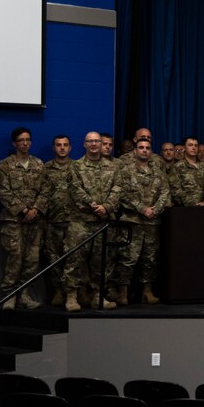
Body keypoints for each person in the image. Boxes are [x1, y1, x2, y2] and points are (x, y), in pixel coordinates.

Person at [62, 131, 120, 311]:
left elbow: (118, 189)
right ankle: (71, 297)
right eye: (90, 141)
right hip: (81, 222)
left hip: (103, 222)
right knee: (74, 260)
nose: (94, 144)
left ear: (102, 144)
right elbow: (75, 191)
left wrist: (107, 207)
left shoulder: (113, 167)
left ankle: (97, 296)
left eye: (97, 141)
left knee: (101, 261)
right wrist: (95, 206)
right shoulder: (75, 166)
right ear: (84, 144)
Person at [114, 138, 170, 305]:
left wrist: (155, 209)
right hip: (132, 221)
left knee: (150, 258)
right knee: (127, 257)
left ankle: (147, 292)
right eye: (141, 148)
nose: (144, 150)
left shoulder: (158, 172)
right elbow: (122, 194)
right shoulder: (126, 171)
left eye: (147, 148)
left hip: (152, 222)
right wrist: (142, 208)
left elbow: (165, 193)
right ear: (135, 151)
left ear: (151, 152)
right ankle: (123, 292)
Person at [0, 127, 45, 309]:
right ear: (14, 143)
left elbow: (45, 191)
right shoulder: (5, 165)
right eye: (21, 140)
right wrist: (24, 210)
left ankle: (24, 293)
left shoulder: (39, 164)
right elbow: (4, 191)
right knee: (15, 257)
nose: (25, 143)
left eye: (28, 140)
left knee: (32, 259)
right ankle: (9, 295)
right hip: (13, 220)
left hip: (35, 220)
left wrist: (35, 210)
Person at [42, 134, 74, 306]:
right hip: (53, 220)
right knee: (53, 258)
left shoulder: (78, 168)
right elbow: (41, 195)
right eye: (58, 145)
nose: (62, 148)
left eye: (65, 145)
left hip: (73, 222)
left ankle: (71, 292)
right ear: (54, 148)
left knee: (73, 258)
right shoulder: (45, 169)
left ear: (70, 148)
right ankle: (57, 292)